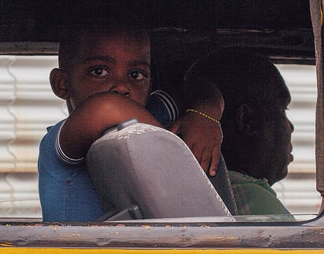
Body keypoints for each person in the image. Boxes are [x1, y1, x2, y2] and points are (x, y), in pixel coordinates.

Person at [39, 17, 224, 222]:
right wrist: (167, 147)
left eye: (136, 75)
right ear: (62, 84)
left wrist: (204, 116)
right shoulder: (60, 143)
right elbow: (104, 108)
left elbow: (198, 88)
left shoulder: (149, 112)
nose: (122, 86)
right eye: (99, 71)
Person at [188, 48, 294, 218]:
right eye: (283, 110)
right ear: (247, 121)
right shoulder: (253, 202)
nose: (291, 126)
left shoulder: (192, 193)